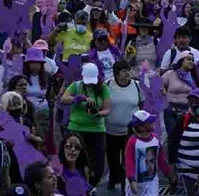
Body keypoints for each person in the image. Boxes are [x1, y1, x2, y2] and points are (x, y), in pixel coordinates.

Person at [59, 63, 111, 187]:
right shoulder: (76, 86)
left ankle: (90, 186)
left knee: (98, 166)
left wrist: (98, 113)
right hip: (76, 128)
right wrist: (78, 98)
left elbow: (107, 109)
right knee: (73, 161)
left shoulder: (102, 88)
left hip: (97, 129)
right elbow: (63, 99)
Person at [169, 88, 199, 195]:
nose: (194, 104)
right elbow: (172, 144)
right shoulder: (183, 120)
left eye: (197, 101)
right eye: (191, 101)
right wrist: (172, 171)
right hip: (186, 172)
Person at [106, 60, 142, 192]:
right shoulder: (107, 85)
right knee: (112, 158)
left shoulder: (137, 85)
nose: (127, 73)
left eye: (128, 70)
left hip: (130, 131)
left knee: (127, 160)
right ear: (116, 73)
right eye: (123, 71)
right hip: (110, 130)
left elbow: (142, 104)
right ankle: (112, 178)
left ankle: (124, 185)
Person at [125, 110, 174, 196]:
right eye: (149, 121)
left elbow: (161, 159)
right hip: (136, 183)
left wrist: (168, 174)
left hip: (152, 182)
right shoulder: (133, 141)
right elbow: (129, 161)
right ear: (141, 127)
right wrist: (131, 180)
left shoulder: (155, 139)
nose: (153, 122)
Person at [162, 51, 199, 134]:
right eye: (188, 59)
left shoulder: (193, 77)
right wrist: (163, 93)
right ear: (181, 61)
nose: (191, 62)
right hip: (171, 111)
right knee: (173, 137)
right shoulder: (170, 74)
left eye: (193, 60)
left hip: (187, 112)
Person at [22, 47, 52, 138]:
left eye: (38, 63)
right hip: (27, 111)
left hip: (43, 110)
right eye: (33, 62)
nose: (36, 65)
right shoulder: (22, 76)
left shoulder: (47, 76)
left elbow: (50, 95)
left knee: (41, 137)